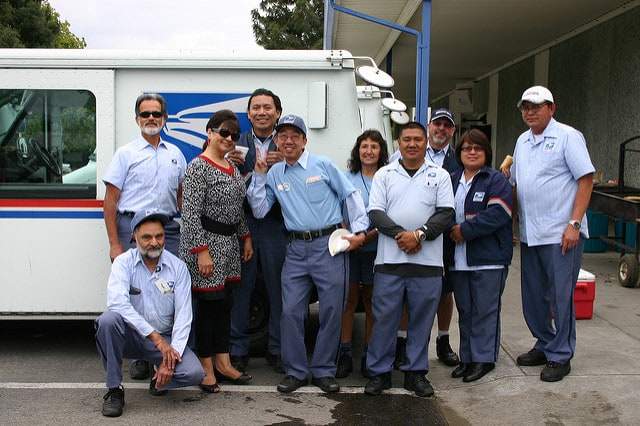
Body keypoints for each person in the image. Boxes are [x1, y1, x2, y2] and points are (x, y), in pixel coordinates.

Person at [247, 114, 368, 394]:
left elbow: (350, 195)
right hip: (296, 249)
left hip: (329, 246)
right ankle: (296, 371)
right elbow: (260, 209)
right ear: (276, 140)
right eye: (283, 136)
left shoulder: (322, 165)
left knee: (330, 310)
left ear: (304, 140)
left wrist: (359, 233)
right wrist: (259, 175)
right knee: (290, 312)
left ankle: (324, 370)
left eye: (294, 136)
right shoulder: (275, 173)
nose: (288, 141)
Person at [364, 122, 455, 397]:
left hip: (427, 264)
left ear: (425, 141)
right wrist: (403, 236)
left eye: (417, 139)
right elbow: (375, 213)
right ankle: (380, 373)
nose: (412, 144)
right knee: (384, 320)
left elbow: (446, 213)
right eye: (407, 140)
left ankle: (415, 373)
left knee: (421, 321)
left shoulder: (439, 175)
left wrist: (420, 235)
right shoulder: (384, 174)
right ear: (399, 143)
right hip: (389, 261)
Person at [510, 86, 594, 382]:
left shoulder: (568, 137)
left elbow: (586, 180)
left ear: (551, 108)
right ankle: (545, 343)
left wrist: (574, 223)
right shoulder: (522, 141)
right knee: (533, 297)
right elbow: (518, 184)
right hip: (531, 234)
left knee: (560, 298)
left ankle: (561, 354)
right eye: (525, 107)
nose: (529, 112)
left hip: (561, 234)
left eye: (536, 106)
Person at [102, 93, 187, 380]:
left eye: (156, 114)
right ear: (137, 118)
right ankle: (140, 353)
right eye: (145, 114)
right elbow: (111, 202)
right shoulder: (125, 153)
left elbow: (181, 197)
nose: (151, 118)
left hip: (168, 230)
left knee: (167, 292)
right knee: (134, 293)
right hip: (131, 229)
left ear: (164, 118)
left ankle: (164, 353)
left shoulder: (175, 154)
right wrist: (115, 243)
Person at [96, 209, 204, 418]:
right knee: (107, 321)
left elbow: (184, 316)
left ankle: (160, 378)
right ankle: (114, 390)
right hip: (131, 336)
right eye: (146, 237)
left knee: (194, 373)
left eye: (159, 236)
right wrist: (155, 338)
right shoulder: (123, 263)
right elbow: (117, 304)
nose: (154, 242)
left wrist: (169, 358)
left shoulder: (178, 267)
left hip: (165, 338)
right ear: (134, 237)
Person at [179, 110, 254, 393]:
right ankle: (206, 367)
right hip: (207, 246)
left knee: (224, 307)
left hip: (229, 247)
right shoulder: (198, 167)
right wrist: (201, 252)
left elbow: (237, 208)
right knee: (208, 309)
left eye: (234, 135)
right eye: (223, 132)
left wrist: (245, 237)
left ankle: (224, 363)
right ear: (209, 132)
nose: (229, 139)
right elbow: (190, 214)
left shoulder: (231, 167)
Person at [389, 108, 461, 368]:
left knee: (444, 290)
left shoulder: (458, 159)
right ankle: (402, 341)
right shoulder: (400, 156)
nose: (441, 129)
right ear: (429, 127)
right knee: (407, 291)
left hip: (445, 235)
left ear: (452, 130)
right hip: (405, 238)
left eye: (447, 126)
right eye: (437, 124)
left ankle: (443, 341)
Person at [445, 129, 513, 382]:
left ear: (486, 152)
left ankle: (483, 359)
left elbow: (499, 213)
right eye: (466, 148)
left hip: (489, 259)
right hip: (459, 259)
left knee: (485, 310)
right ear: (459, 153)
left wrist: (464, 230)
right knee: (466, 311)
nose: (472, 152)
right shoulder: (451, 179)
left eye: (478, 148)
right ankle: (467, 358)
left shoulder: (495, 180)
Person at [227, 88, 286, 373]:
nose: (262, 112)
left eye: (268, 107)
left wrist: (285, 163)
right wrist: (235, 167)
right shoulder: (233, 144)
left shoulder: (288, 145)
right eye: (256, 107)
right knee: (242, 289)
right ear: (248, 113)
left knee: (278, 289)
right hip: (244, 225)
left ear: (277, 113)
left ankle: (277, 348)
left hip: (277, 226)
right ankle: (237, 350)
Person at [336, 130, 388, 379]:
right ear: (358, 151)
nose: (368, 151)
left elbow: (389, 215)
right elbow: (336, 211)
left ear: (381, 151)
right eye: (364, 146)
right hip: (349, 249)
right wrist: (346, 235)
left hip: (376, 249)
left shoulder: (387, 178)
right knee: (347, 301)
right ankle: (344, 353)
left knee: (371, 303)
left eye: (374, 147)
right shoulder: (346, 178)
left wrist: (365, 238)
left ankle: (369, 355)